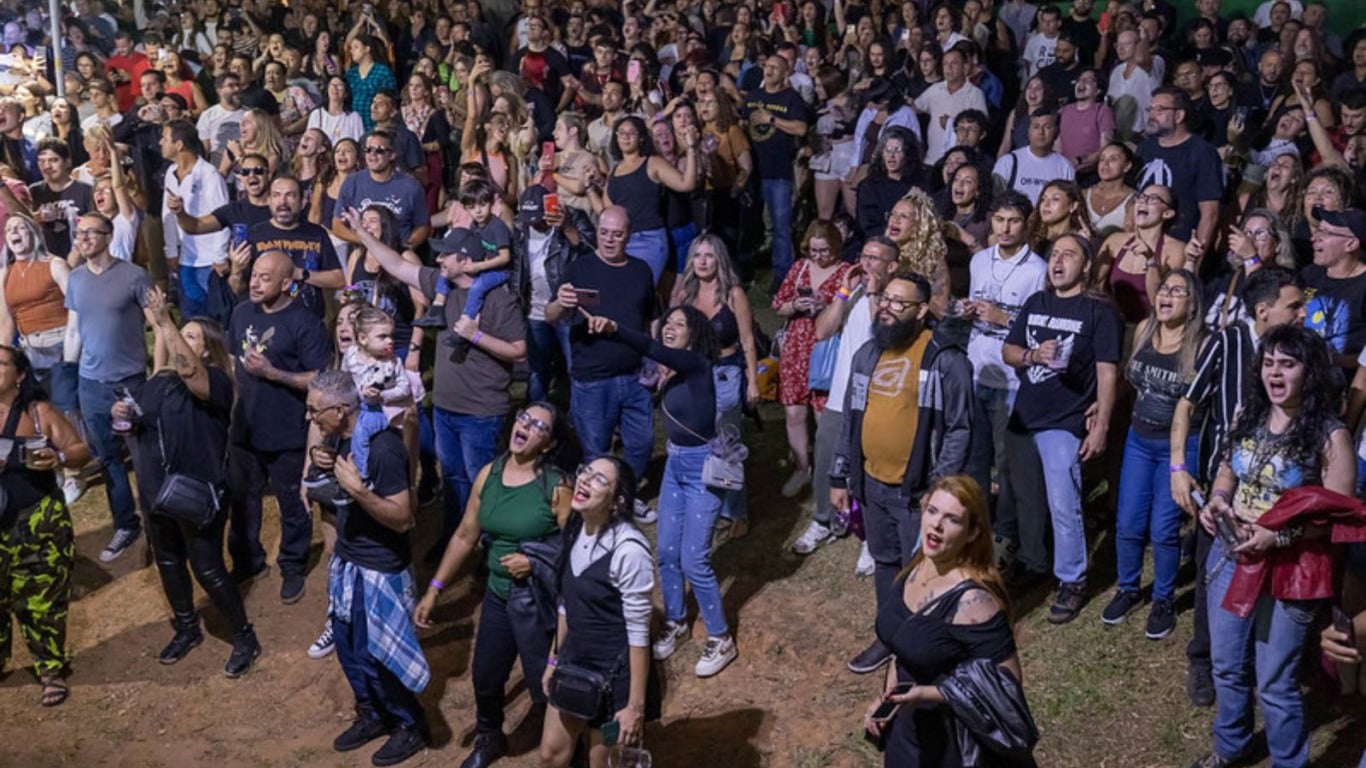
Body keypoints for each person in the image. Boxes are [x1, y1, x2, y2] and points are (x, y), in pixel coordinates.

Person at [1194, 324, 1354, 768]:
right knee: (1226, 664)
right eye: (1268, 363)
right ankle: (1232, 746)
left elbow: (1338, 515)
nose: (1275, 374)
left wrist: (1279, 536)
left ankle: (1288, 762)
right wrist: (1218, 500)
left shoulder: (1329, 434)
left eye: (1288, 364)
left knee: (1275, 680)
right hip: (1235, 552)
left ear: (1310, 371)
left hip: (1293, 566)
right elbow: (1228, 468)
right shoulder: (1251, 410)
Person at [345, 215, 527, 555]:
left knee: (480, 483)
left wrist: (477, 336)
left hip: (481, 413)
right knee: (454, 480)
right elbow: (396, 264)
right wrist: (360, 233)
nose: (438, 259)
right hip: (445, 407)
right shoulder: (440, 284)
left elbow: (519, 351)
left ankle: (492, 549)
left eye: (446, 255)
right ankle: (454, 538)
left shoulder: (499, 299)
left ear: (466, 262)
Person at [1170, 266, 1307, 708]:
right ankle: (1205, 661)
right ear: (1264, 311)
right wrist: (1178, 466)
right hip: (1223, 491)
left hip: (1279, 495)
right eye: (1294, 306)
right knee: (1214, 577)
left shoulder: (1304, 351)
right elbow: (1187, 403)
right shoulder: (1228, 341)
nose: (1303, 314)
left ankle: (1252, 663)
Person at [584, 302, 739, 677]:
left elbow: (652, 349)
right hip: (675, 465)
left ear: (695, 333)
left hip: (703, 467)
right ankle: (676, 620)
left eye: (679, 324)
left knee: (694, 558)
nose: (669, 327)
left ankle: (721, 638)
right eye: (666, 322)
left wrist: (616, 327)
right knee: (667, 551)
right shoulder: (670, 373)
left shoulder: (697, 365)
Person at [832, 270, 974, 674]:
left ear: (922, 310)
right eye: (885, 299)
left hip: (919, 495)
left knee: (923, 573)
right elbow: (850, 421)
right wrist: (839, 477)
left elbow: (961, 428)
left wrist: (939, 489)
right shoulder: (868, 353)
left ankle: (922, 649)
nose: (888, 309)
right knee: (885, 562)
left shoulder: (945, 359)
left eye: (900, 303)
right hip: (872, 485)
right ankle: (888, 635)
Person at [415, 402, 571, 768]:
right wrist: (435, 588)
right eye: (524, 418)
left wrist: (533, 561)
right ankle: (491, 737)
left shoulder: (556, 485)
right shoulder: (489, 474)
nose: (527, 426)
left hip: (537, 601)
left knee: (545, 685)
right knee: (485, 676)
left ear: (548, 445)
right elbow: (466, 535)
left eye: (539, 426)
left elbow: (575, 548)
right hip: (499, 597)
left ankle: (568, 748)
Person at [131, 287, 259, 676]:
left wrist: (165, 321)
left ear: (206, 350)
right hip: (156, 492)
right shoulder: (158, 381)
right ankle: (187, 628)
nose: (177, 341)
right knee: (169, 562)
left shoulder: (217, 382)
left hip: (197, 492)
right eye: (179, 334)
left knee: (208, 568)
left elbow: (191, 373)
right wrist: (126, 415)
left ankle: (244, 637)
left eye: (190, 337)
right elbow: (143, 425)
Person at [306, 371, 430, 767]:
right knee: (347, 646)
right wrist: (319, 458)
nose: (310, 418)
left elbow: (403, 517)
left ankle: (410, 725)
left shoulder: (383, 448)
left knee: (378, 655)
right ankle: (372, 715)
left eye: (314, 411)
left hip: (380, 569)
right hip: (350, 560)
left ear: (341, 410)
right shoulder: (343, 437)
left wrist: (359, 490)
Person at [1001, 234, 1122, 624]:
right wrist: (1033, 354)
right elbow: (1009, 350)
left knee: (1063, 503)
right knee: (1025, 498)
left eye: (1068, 255)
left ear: (1085, 266)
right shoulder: (1036, 303)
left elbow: (1107, 372)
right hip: (1023, 416)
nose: (1057, 261)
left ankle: (1072, 579)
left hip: (1064, 421)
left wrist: (1101, 422)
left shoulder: (1098, 312)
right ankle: (1033, 564)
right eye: (1053, 255)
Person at [862, 475, 1023, 767]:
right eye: (932, 511)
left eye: (952, 519)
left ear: (973, 532)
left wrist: (932, 694)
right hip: (907, 730)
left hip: (951, 743)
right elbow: (901, 647)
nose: (936, 524)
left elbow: (1008, 683)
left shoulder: (973, 601)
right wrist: (886, 701)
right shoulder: (918, 566)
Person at [537, 456, 659, 768]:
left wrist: (634, 706)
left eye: (599, 480)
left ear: (618, 502)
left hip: (615, 680)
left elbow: (638, 633)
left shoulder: (629, 551)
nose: (585, 480)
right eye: (585, 471)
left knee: (603, 763)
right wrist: (554, 660)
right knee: (551, 755)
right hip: (573, 664)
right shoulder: (575, 530)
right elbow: (566, 604)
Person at [226, 250, 333, 601]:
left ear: (287, 284)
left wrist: (273, 373)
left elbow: (322, 378)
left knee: (292, 503)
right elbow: (230, 360)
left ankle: (292, 565)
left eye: (265, 278)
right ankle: (248, 560)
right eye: (254, 275)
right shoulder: (242, 312)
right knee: (243, 500)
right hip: (244, 428)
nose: (255, 283)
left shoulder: (305, 322)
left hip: (286, 431)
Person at [1103, 269, 1205, 640]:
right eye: (1164, 288)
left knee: (1163, 527)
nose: (1166, 295)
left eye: (1178, 291)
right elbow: (1129, 378)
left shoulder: (1200, 345)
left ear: (1192, 304)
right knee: (1128, 520)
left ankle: (1162, 598)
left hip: (1178, 447)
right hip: (1138, 440)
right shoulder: (1145, 328)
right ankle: (1128, 588)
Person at [544, 207, 658, 523]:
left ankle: (626, 495)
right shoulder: (580, 270)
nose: (609, 240)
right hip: (592, 380)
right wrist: (560, 303)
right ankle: (599, 512)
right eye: (605, 232)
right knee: (595, 451)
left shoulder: (641, 271)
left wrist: (658, 357)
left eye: (617, 234)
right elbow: (551, 315)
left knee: (642, 442)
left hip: (634, 376)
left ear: (629, 236)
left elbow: (652, 317)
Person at [796, 236, 901, 560]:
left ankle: (869, 535)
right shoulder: (852, 292)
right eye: (864, 255)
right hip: (840, 397)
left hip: (875, 401)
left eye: (875, 258)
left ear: (892, 266)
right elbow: (822, 331)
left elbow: (882, 334)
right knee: (827, 460)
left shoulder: (895, 297)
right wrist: (843, 291)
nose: (866, 263)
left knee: (870, 469)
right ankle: (824, 520)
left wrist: (871, 292)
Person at [0, 345, 90, 708]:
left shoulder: (39, 413)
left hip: (38, 523)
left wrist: (60, 457)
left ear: (20, 376)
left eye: (0, 363)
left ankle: (50, 669)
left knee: (42, 600)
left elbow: (82, 449)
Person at [63, 212, 152, 562]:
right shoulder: (76, 279)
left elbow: (158, 323)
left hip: (129, 383)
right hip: (90, 384)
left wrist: (159, 370)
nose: (82, 239)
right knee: (109, 459)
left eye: (90, 233)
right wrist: (68, 376)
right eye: (79, 233)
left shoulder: (134, 276)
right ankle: (126, 525)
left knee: (144, 457)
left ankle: (160, 523)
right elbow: (74, 331)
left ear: (108, 236)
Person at [962, 193, 1046, 562]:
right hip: (976, 369)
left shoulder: (1038, 270)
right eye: (999, 220)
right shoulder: (980, 260)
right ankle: (977, 522)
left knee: (1008, 463)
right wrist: (969, 312)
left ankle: (1007, 534)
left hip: (1011, 380)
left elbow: (1040, 330)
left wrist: (1004, 319)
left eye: (1013, 221)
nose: (1005, 228)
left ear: (1026, 224)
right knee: (974, 456)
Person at [670, 235, 761, 537]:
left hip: (726, 374)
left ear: (719, 259)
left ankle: (737, 511)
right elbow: (673, 332)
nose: (703, 261)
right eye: (697, 256)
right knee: (700, 440)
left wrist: (753, 381)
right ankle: (707, 501)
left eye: (709, 255)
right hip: (695, 375)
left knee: (727, 443)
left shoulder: (734, 294)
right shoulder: (685, 292)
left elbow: (747, 340)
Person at [0, 215, 82, 504]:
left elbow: (77, 307)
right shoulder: (6, 274)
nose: (14, 233)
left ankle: (73, 473)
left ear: (34, 233)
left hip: (60, 344)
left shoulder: (55, 264)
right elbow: (7, 319)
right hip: (28, 350)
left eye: (20, 227)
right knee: (37, 409)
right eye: (9, 229)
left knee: (65, 409)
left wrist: (71, 354)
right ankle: (53, 469)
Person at [772, 220, 852, 500]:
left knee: (823, 417)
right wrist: (795, 305)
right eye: (814, 250)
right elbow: (778, 304)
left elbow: (851, 313)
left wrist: (826, 308)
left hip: (826, 350)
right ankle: (802, 468)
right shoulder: (800, 268)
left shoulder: (846, 273)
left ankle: (826, 473)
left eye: (824, 251)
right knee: (794, 413)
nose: (818, 257)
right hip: (796, 346)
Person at [745, 55, 810, 290]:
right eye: (767, 66)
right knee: (758, 226)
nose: (769, 70)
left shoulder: (791, 98)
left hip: (779, 172)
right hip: (754, 172)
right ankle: (749, 270)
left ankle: (782, 277)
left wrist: (771, 119)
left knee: (782, 227)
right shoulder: (753, 96)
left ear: (785, 74)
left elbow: (801, 128)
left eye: (775, 67)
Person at [1134, 87, 1224, 248]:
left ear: (1179, 115)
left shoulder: (1201, 152)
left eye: (1160, 110)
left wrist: (1194, 261)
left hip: (1179, 245)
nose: (1152, 115)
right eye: (1151, 109)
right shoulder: (1144, 149)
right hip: (1142, 243)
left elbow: (1210, 213)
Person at [160, 119, 231, 319]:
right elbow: (167, 214)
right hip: (187, 260)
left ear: (179, 144)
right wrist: (171, 249)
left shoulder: (210, 176)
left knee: (215, 320)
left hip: (210, 262)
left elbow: (223, 217)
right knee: (192, 319)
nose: (160, 143)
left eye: (165, 138)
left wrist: (220, 256)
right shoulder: (170, 174)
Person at [331, 129, 431, 248]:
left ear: (392, 155)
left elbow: (423, 226)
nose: (372, 154)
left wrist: (404, 247)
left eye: (379, 150)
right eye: (368, 150)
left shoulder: (411, 186)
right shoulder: (352, 182)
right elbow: (337, 225)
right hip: (361, 252)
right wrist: (367, 242)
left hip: (397, 255)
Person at [29, 138, 95, 264]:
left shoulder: (86, 190)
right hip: (46, 263)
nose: (47, 166)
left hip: (82, 262)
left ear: (67, 162)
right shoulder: (34, 192)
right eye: (42, 161)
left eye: (53, 160)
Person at [991, 108, 1075, 204]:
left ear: (1056, 132)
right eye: (1036, 127)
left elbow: (1069, 201)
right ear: (1028, 131)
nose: (1041, 132)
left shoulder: (1065, 166)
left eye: (1047, 127)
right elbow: (996, 201)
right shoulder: (1008, 162)